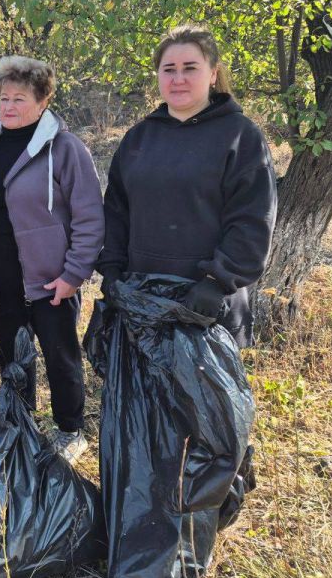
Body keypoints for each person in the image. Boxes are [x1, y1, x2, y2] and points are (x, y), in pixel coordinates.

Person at [0, 55, 105, 464]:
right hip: (1, 279)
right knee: (10, 354)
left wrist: (74, 274)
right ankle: (20, 424)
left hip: (52, 281)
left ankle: (71, 430)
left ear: (43, 102)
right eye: (3, 98)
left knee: (60, 356)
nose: (8, 107)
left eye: (19, 98)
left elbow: (90, 216)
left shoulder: (66, 149)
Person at [97, 23, 277, 347]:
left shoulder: (241, 136)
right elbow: (116, 212)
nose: (178, 78)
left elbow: (252, 220)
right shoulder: (138, 139)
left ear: (212, 73)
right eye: (169, 69)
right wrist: (111, 272)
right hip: (143, 307)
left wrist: (217, 281)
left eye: (189, 68)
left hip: (207, 308)